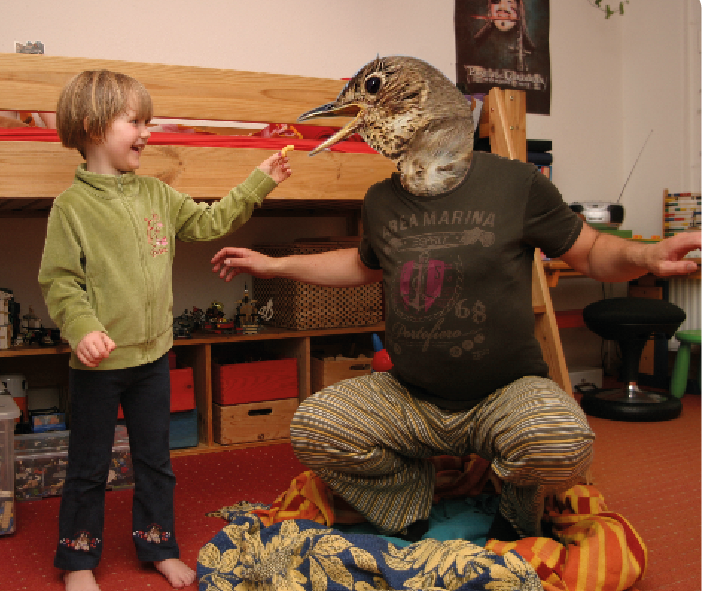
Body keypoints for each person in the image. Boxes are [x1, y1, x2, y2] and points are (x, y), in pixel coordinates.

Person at [211, 172, 701, 544]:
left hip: (505, 393)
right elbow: (362, 265)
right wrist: (275, 265)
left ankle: (517, 511)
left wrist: (646, 257)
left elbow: (590, 251)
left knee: (560, 439)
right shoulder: (382, 198)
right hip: (411, 395)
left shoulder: (517, 183)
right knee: (315, 425)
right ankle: (408, 505)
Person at [38, 69, 291, 591]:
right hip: (98, 365)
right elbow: (60, 282)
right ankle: (78, 560)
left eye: (147, 122)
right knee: (88, 466)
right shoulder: (71, 208)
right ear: (93, 126)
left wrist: (257, 181)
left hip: (153, 359)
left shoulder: (156, 193)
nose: (147, 133)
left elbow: (209, 222)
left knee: (156, 462)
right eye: (135, 122)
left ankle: (159, 547)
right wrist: (83, 328)